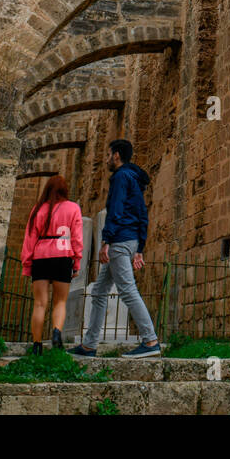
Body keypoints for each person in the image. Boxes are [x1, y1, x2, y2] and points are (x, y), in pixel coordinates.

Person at [71, 139, 161, 359]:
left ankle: (150, 340)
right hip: (129, 241)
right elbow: (142, 215)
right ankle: (89, 345)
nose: (107, 159)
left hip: (119, 242)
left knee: (127, 290)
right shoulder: (134, 180)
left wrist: (106, 241)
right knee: (100, 291)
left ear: (117, 156)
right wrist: (139, 247)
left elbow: (116, 210)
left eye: (108, 154)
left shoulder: (121, 177)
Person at [20, 174, 83, 355]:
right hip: (63, 256)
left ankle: (37, 345)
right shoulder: (73, 208)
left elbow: (29, 239)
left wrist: (27, 264)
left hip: (41, 257)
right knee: (60, 301)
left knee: (40, 303)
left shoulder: (38, 209)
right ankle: (56, 332)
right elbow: (77, 237)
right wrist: (76, 261)